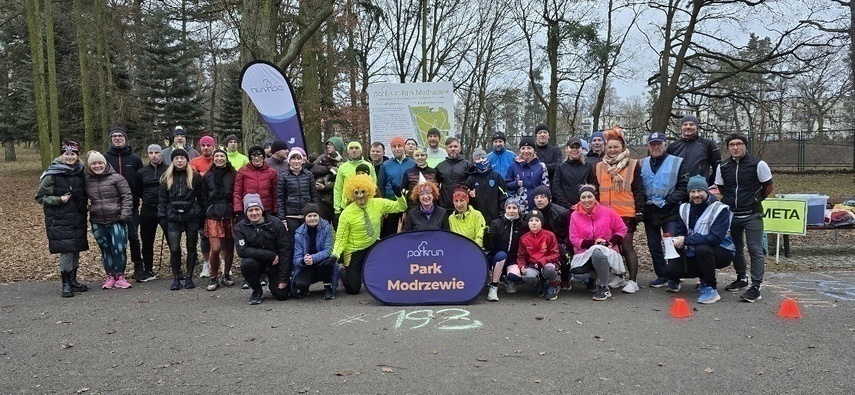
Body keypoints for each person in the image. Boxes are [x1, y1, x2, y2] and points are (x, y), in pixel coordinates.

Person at [715, 133, 773, 302]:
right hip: (732, 214)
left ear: (745, 146)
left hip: (752, 214)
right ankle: (741, 278)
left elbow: (768, 187)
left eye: (739, 144)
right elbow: (721, 188)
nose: (735, 147)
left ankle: (755, 286)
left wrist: (755, 200)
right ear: (728, 148)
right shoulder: (723, 166)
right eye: (732, 144)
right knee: (736, 249)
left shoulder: (758, 164)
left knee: (754, 249)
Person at [332, 174, 407, 295]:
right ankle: (343, 270)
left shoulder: (378, 203)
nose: (360, 195)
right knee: (354, 289)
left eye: (363, 192)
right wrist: (335, 254)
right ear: (352, 194)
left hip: (373, 244)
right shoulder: (346, 213)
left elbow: (400, 207)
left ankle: (372, 272)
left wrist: (399, 196)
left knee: (386, 263)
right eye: (356, 193)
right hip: (354, 250)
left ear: (369, 191)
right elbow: (341, 238)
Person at [666, 176, 736, 304]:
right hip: (696, 249)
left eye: (700, 191)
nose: (696, 195)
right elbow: (681, 232)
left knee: (703, 249)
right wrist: (676, 240)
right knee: (671, 267)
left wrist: (686, 240)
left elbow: (715, 239)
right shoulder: (684, 208)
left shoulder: (720, 209)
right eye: (692, 192)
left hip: (722, 251)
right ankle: (675, 280)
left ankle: (710, 287)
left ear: (707, 191)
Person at [36, 140, 90, 298]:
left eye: (73, 154)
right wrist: (58, 200)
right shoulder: (52, 174)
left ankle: (73, 280)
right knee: (66, 250)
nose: (70, 157)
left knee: (75, 248)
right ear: (61, 156)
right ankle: (65, 283)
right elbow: (40, 197)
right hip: (59, 219)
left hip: (77, 217)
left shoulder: (79, 172)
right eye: (67, 154)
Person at [595, 127, 644, 293]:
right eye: (609, 147)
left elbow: (638, 189)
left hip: (625, 212)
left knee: (627, 246)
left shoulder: (632, 164)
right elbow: (596, 189)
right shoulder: (600, 166)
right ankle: (619, 276)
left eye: (616, 147)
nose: (612, 150)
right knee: (611, 247)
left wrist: (639, 211)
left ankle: (633, 280)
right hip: (605, 213)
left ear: (623, 147)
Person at [641, 131, 689, 290]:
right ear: (648, 146)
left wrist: (669, 201)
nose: (656, 147)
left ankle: (674, 278)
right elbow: (638, 187)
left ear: (664, 144)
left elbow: (683, 188)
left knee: (671, 244)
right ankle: (661, 275)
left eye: (659, 144)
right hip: (650, 212)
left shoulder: (677, 162)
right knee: (654, 245)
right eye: (652, 144)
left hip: (670, 211)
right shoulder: (642, 163)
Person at [568, 184, 629, 301]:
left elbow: (622, 229)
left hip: (607, 249)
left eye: (589, 196)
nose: (587, 200)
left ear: (595, 197)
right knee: (577, 273)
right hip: (584, 251)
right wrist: (594, 243)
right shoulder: (574, 215)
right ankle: (593, 278)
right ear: (579, 199)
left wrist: (610, 243)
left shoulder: (608, 212)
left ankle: (604, 287)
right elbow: (574, 238)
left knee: (598, 252)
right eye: (583, 197)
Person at [86, 150, 134, 289]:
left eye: (100, 163)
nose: (97, 166)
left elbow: (127, 196)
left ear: (105, 163)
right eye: (94, 164)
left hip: (116, 219)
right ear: (90, 166)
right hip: (98, 220)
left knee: (119, 248)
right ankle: (110, 275)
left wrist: (125, 215)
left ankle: (120, 276)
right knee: (105, 249)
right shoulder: (87, 181)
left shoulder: (117, 178)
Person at [158, 148, 203, 290]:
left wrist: (200, 215)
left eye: (182, 158)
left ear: (186, 160)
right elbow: (162, 200)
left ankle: (189, 277)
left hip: (191, 215)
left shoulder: (195, 176)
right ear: (172, 161)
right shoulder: (166, 177)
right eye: (176, 158)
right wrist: (162, 217)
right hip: (173, 216)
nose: (179, 161)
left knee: (191, 246)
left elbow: (202, 198)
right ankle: (176, 277)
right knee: (174, 248)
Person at [103, 126, 144, 280]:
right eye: (114, 136)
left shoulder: (134, 158)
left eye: (120, 136)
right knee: (114, 239)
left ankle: (138, 265)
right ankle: (116, 270)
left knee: (133, 236)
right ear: (111, 139)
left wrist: (139, 196)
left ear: (125, 138)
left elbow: (140, 180)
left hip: (131, 205)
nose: (118, 138)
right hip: (110, 206)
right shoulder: (105, 158)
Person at [235, 194, 292, 305]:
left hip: (275, 265)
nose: (254, 213)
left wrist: (283, 278)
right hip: (257, 263)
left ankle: (273, 283)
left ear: (262, 209)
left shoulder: (276, 223)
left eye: (257, 209)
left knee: (282, 295)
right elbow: (242, 251)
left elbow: (285, 251)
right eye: (250, 210)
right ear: (246, 212)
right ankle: (256, 290)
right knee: (247, 264)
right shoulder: (240, 227)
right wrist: (269, 255)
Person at [200, 149, 237, 290]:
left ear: (226, 158)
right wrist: (207, 210)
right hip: (213, 215)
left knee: (228, 247)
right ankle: (213, 277)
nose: (220, 158)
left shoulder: (233, 175)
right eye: (217, 156)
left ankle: (226, 274)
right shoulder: (207, 176)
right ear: (213, 159)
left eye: (222, 156)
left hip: (229, 213)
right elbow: (202, 196)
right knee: (215, 248)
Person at [276, 147, 318, 267]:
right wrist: (282, 218)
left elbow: (313, 195)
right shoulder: (284, 176)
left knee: (308, 240)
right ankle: (295, 265)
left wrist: (315, 213)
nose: (296, 161)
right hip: (291, 215)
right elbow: (280, 198)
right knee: (293, 242)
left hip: (306, 215)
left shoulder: (308, 175)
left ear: (302, 161)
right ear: (289, 161)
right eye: (293, 159)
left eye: (298, 158)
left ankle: (309, 264)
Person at [133, 144, 168, 282]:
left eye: (157, 152)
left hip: (165, 208)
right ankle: (148, 269)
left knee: (173, 240)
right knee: (147, 241)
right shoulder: (142, 172)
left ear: (161, 154)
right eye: (151, 153)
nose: (154, 155)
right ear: (148, 155)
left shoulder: (168, 170)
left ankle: (177, 269)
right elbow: (138, 190)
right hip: (148, 209)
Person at [291, 203, 337, 300]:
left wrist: (314, 258)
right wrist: (304, 260)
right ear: (305, 218)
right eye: (309, 216)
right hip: (307, 265)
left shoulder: (327, 228)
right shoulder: (299, 233)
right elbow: (296, 258)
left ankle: (327, 286)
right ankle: (305, 288)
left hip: (322, 263)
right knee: (300, 284)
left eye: (315, 215)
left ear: (319, 216)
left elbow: (328, 250)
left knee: (327, 262)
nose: (312, 218)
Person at [513, 209, 561, 300]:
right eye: (531, 221)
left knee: (549, 269)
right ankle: (540, 284)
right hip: (533, 265)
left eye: (537, 220)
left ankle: (554, 285)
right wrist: (522, 266)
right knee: (527, 275)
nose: (534, 223)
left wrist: (543, 261)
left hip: (547, 264)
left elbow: (556, 254)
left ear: (541, 223)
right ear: (528, 223)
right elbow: (521, 256)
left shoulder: (549, 235)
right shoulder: (524, 238)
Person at [528, 186, 569, 289]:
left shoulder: (561, 212)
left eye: (542, 197)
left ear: (549, 198)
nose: (539, 200)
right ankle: (540, 280)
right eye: (536, 197)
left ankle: (565, 279)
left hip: (560, 243)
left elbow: (569, 233)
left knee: (563, 252)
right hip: (541, 243)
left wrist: (565, 245)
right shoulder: (533, 214)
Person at [484, 198, 525, 301]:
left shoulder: (523, 225)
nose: (511, 211)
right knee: (502, 255)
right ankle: (493, 286)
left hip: (513, 259)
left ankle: (508, 279)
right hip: (498, 257)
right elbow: (490, 246)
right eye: (509, 208)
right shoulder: (496, 223)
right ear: (505, 208)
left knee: (515, 276)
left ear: (518, 210)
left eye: (514, 208)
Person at [666, 115, 722, 186]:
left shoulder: (708, 144)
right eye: (685, 124)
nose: (688, 127)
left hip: (699, 190)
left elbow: (718, 167)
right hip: (678, 189)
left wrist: (709, 183)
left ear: (697, 127)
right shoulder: (673, 147)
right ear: (681, 127)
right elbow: (666, 169)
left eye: (691, 124)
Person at [378, 137, 415, 237]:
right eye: (394, 147)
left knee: (408, 232)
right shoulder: (385, 165)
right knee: (389, 232)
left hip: (408, 204)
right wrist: (383, 206)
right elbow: (380, 186)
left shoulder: (412, 163)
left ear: (404, 147)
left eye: (399, 146)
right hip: (391, 204)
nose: (397, 149)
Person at [190, 135, 216, 278]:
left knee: (221, 236)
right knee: (204, 236)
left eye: (208, 145)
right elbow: (194, 176)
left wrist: (203, 174)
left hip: (216, 203)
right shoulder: (195, 161)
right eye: (204, 145)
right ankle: (206, 264)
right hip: (200, 204)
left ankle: (223, 263)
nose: (206, 148)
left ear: (213, 147)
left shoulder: (218, 159)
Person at [505, 136, 549, 213]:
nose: (526, 151)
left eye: (529, 148)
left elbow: (546, 188)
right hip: (519, 208)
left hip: (537, 207)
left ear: (534, 150)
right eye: (523, 148)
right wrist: (515, 184)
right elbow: (506, 185)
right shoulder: (513, 165)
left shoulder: (541, 166)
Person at [234, 145, 279, 221]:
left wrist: (275, 210)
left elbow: (275, 193)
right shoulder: (242, 171)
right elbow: (237, 192)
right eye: (254, 156)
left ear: (263, 157)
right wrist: (238, 210)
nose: (257, 158)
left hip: (266, 209)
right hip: (249, 209)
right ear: (250, 158)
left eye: (259, 155)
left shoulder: (272, 172)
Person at [333, 141, 377, 217]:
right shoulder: (343, 167)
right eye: (351, 148)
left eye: (356, 148)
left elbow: (374, 186)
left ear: (360, 150)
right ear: (348, 151)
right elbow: (338, 188)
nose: (354, 150)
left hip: (365, 205)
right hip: (347, 206)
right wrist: (337, 209)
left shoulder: (369, 166)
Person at [465, 148, 506, 227]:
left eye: (483, 158)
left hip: (495, 217)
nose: (481, 160)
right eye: (478, 159)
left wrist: (501, 212)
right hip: (477, 218)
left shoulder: (496, 176)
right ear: (474, 162)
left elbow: (503, 195)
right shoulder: (471, 179)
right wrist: (470, 195)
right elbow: (466, 198)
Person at [553, 137, 597, 210]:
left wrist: (583, 203)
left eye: (577, 147)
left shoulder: (588, 166)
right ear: (567, 149)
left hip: (585, 207)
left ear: (581, 149)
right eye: (572, 147)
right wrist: (568, 205)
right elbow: (557, 189)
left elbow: (593, 186)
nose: (574, 150)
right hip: (565, 208)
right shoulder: (560, 167)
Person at [310, 137, 344, 223]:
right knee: (322, 227)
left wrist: (326, 187)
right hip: (321, 200)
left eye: (331, 144)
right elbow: (313, 168)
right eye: (327, 144)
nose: (328, 146)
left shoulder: (343, 163)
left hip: (335, 200)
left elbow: (340, 182)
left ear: (337, 146)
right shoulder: (322, 157)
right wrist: (329, 168)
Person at [435, 137, 470, 210]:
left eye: (455, 146)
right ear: (446, 149)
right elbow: (435, 186)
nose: (453, 149)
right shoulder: (440, 166)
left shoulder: (467, 165)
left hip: (463, 205)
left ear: (459, 148)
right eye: (450, 147)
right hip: (445, 206)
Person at [401, 147, 439, 212]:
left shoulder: (434, 172)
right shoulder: (408, 172)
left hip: (430, 207)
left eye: (422, 155)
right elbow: (403, 190)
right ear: (413, 157)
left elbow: (437, 191)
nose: (420, 157)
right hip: (412, 207)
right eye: (417, 155)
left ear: (426, 156)